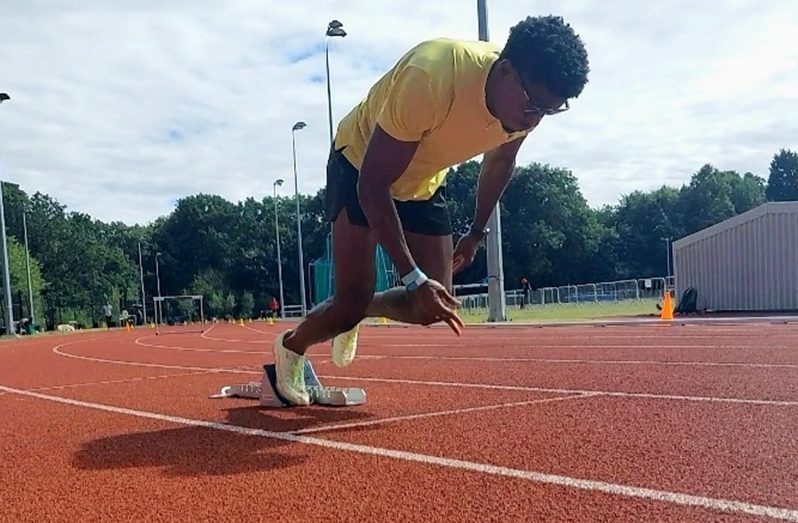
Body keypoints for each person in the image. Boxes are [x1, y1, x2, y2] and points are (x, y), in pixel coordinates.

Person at [270, 15, 590, 405]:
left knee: (433, 306)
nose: (534, 118)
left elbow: (500, 163)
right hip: (360, 164)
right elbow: (372, 186)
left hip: (423, 180)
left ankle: (359, 310)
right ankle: (292, 347)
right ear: (505, 70)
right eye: (533, 105)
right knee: (352, 299)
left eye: (549, 111)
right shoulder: (433, 76)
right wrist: (412, 276)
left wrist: (475, 232)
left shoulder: (525, 103)